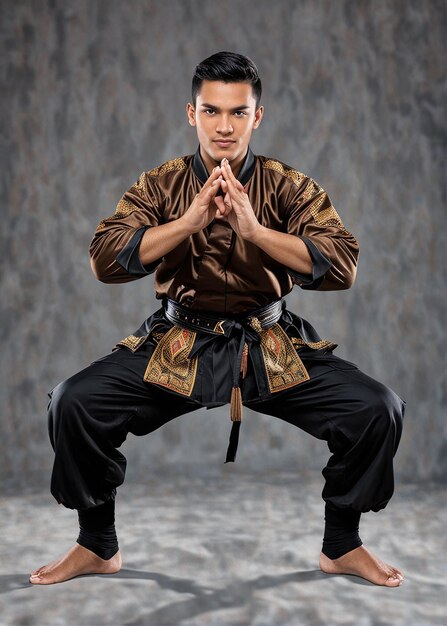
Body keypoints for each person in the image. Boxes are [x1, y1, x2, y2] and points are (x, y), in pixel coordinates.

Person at [30, 51, 405, 587]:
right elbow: (105, 256)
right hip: (179, 344)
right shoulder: (161, 185)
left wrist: (256, 232)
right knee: (75, 402)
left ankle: (342, 544)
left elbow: (342, 261)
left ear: (257, 116)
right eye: (211, 111)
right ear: (191, 113)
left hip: (268, 344)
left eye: (237, 112)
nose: (224, 126)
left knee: (377, 410)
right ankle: (97, 544)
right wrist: (187, 222)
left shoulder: (286, 186)